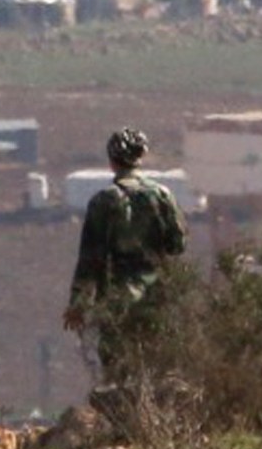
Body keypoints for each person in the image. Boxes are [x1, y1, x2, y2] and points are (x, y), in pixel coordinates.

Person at [64, 127, 186, 405]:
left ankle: (122, 421)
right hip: (157, 292)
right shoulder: (162, 196)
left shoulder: (103, 202)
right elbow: (178, 245)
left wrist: (78, 303)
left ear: (112, 160)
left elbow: (90, 258)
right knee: (157, 361)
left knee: (118, 366)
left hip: (117, 294)